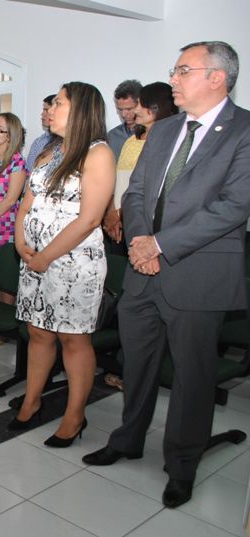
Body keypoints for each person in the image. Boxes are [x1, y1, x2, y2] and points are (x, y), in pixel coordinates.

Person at [83, 41, 250, 509]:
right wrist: (140, 242)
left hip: (198, 274)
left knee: (193, 378)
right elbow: (135, 192)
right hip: (142, 270)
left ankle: (182, 463)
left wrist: (161, 245)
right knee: (136, 364)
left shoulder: (244, 130)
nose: (172, 79)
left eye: (182, 70)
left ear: (216, 77)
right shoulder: (162, 130)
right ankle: (127, 438)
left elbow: (234, 206)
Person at [10, 83, 115, 449]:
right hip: (35, 259)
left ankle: (74, 415)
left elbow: (88, 219)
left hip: (73, 264)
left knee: (74, 339)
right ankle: (32, 400)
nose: (50, 108)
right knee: (39, 333)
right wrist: (21, 242)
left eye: (58, 102)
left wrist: (45, 255)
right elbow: (25, 204)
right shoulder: (50, 152)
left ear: (82, 110)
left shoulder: (97, 153)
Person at [102, 83, 178, 255]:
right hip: (118, 220)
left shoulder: (169, 142)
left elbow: (150, 189)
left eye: (138, 106)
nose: (133, 112)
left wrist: (121, 214)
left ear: (155, 108)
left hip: (142, 221)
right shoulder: (131, 141)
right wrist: (112, 213)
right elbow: (119, 181)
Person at [0, 112, 26, 326]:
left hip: (5, 222)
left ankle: (4, 323)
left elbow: (11, 199)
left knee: (3, 273)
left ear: (10, 136)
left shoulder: (17, 161)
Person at [106, 79, 142, 157]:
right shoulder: (112, 136)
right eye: (120, 109)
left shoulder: (152, 134)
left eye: (129, 109)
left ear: (140, 104)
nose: (123, 114)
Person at [25, 94, 56, 173]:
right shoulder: (38, 142)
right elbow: (29, 173)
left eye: (46, 110)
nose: (42, 114)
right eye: (43, 110)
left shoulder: (68, 142)